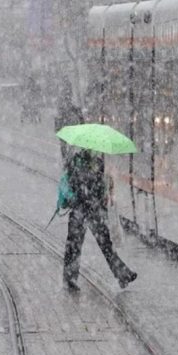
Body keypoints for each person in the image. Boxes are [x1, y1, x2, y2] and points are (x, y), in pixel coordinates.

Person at [62, 149, 137, 292]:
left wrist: (103, 191)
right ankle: (70, 279)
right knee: (76, 245)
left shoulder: (96, 163)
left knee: (102, 244)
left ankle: (122, 274)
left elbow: (100, 188)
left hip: (90, 210)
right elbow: (71, 183)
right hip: (81, 209)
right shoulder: (77, 163)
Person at [55, 80, 83, 161]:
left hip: (64, 125)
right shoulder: (66, 104)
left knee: (65, 144)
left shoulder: (62, 104)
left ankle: (66, 159)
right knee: (68, 144)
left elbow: (59, 116)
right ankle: (67, 159)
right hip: (66, 125)